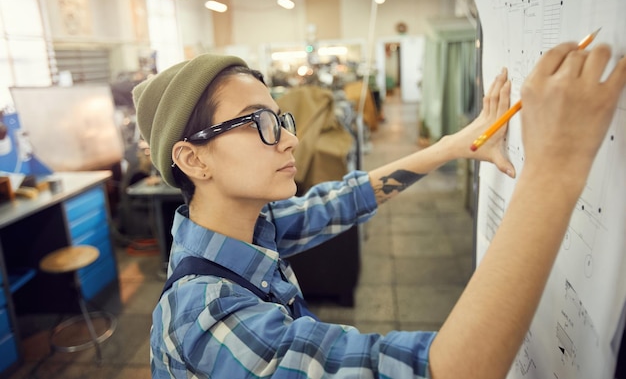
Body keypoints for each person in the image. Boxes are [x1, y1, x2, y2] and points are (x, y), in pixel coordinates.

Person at [133, 43, 626, 379]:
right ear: (193, 159)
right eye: (259, 123)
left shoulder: (248, 229)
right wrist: (556, 166)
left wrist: (453, 146)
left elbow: (345, 199)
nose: (290, 138)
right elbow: (445, 370)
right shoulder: (205, 317)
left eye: (280, 118)